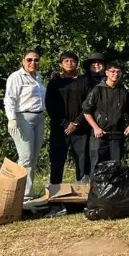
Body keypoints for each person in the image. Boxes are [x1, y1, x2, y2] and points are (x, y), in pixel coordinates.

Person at [4, 50, 46, 202]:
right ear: (23, 61)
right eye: (29, 60)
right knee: (25, 157)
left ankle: (28, 192)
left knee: (33, 158)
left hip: (39, 118)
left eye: (36, 60)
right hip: (23, 118)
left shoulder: (38, 77)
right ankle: (19, 194)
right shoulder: (16, 77)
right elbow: (10, 99)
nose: (32, 63)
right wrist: (11, 119)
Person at [46, 52, 89, 185]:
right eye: (66, 61)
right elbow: (50, 105)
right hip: (60, 128)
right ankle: (55, 197)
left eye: (73, 61)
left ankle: (82, 197)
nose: (70, 63)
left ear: (77, 64)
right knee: (57, 161)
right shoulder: (54, 83)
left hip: (80, 129)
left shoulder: (84, 81)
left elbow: (89, 104)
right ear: (61, 64)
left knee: (82, 162)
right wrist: (65, 123)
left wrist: (76, 123)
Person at [82, 63, 129, 167]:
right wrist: (95, 127)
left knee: (116, 165)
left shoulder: (123, 91)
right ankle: (95, 183)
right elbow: (86, 110)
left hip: (117, 134)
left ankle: (114, 184)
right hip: (100, 134)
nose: (116, 74)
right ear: (106, 73)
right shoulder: (97, 90)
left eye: (118, 72)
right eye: (113, 71)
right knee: (97, 164)